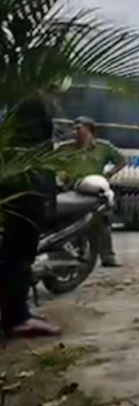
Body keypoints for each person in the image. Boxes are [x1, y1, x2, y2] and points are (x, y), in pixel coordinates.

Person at [0, 92, 62, 338]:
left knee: (12, 256)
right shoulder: (33, 114)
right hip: (26, 199)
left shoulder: (13, 131)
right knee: (18, 258)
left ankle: (16, 313)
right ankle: (17, 319)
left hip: (18, 195)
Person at [56, 116, 127, 267]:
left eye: (79, 129)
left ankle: (108, 256)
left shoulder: (103, 147)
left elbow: (121, 160)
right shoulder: (65, 148)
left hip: (94, 190)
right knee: (71, 222)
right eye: (74, 129)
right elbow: (54, 164)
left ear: (90, 130)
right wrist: (62, 174)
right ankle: (76, 254)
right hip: (71, 190)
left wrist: (108, 175)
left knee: (101, 221)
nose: (76, 132)